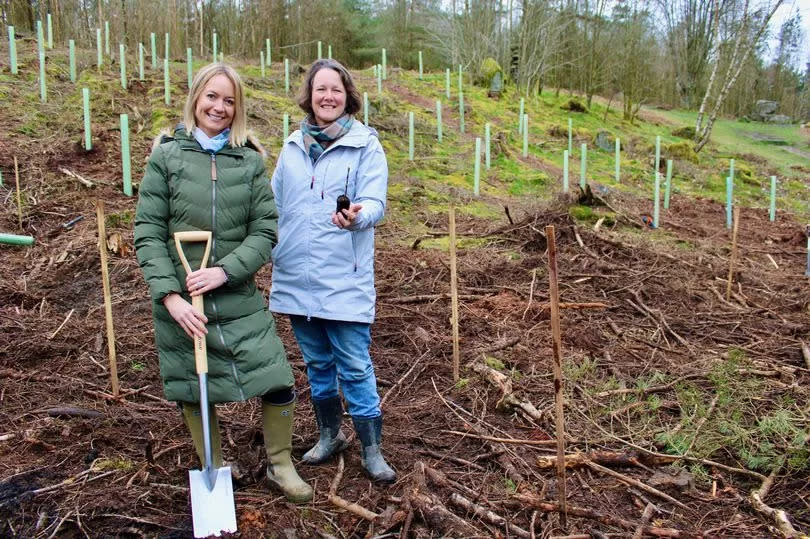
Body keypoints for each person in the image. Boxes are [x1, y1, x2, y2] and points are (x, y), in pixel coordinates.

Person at [134, 63, 312, 503]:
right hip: (183, 303)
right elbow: (148, 231)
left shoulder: (248, 161)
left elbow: (265, 231)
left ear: (239, 109)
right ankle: (212, 465)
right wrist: (171, 297)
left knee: (277, 378)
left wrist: (226, 270)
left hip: (236, 296)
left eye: (229, 101)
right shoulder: (167, 156)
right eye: (212, 97)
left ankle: (280, 464)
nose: (220, 107)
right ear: (196, 98)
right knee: (194, 388)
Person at [269, 59, 395, 483]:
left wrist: (358, 216)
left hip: (343, 278)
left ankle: (372, 448)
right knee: (317, 364)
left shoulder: (365, 145)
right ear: (309, 95)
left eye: (336, 90)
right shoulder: (291, 147)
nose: (328, 96)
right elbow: (274, 209)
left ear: (347, 96)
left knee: (355, 365)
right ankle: (330, 435)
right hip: (296, 276)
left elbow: (376, 202)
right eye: (320, 89)